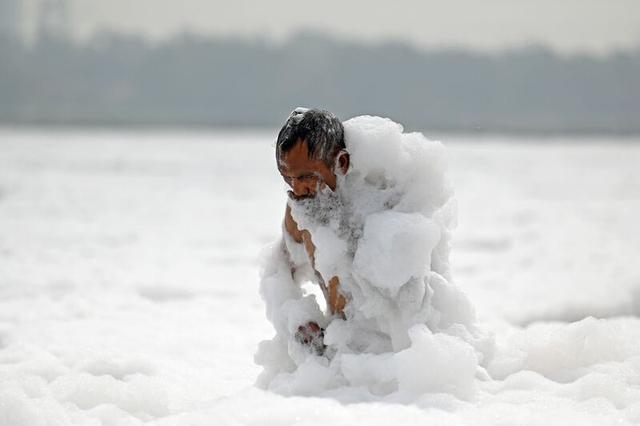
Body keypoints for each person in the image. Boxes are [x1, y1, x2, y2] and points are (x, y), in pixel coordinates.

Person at [275, 107, 350, 352]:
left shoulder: (380, 215)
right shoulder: (301, 210)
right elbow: (279, 271)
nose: (296, 190)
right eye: (287, 178)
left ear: (341, 163)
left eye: (306, 176)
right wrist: (297, 320)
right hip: (345, 360)